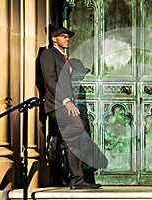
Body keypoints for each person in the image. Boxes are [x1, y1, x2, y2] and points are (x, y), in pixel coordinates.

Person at [40, 27, 107, 189]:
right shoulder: (49, 55)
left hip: (65, 103)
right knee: (81, 124)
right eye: (63, 36)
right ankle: (57, 142)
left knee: (74, 141)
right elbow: (50, 80)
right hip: (56, 104)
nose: (67, 39)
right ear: (54, 39)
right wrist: (65, 101)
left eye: (68, 37)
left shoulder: (63, 57)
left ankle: (77, 180)